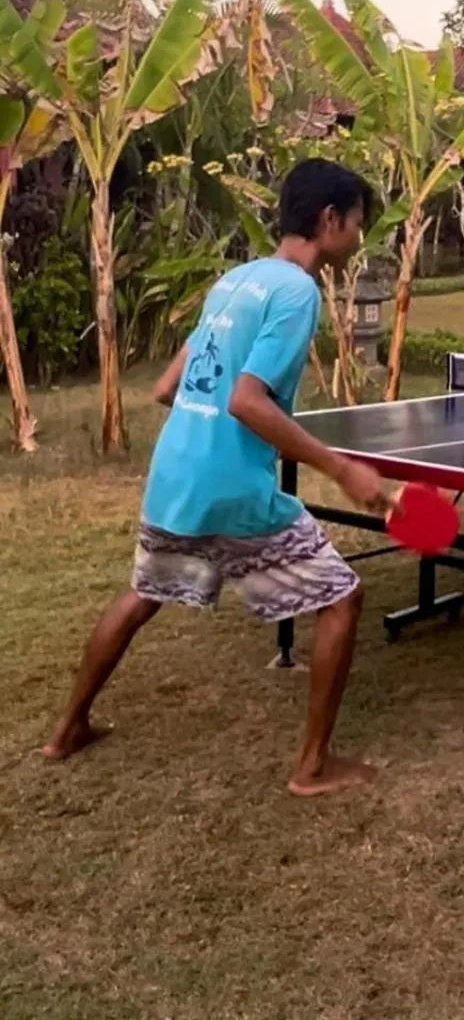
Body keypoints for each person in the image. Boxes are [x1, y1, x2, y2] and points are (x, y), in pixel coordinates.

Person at [42, 158, 390, 797]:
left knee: (143, 593)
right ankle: (312, 767)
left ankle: (66, 730)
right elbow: (247, 402)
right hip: (233, 490)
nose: (357, 237)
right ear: (329, 220)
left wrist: (205, 435)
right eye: (356, 223)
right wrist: (342, 469)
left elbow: (167, 387)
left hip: (175, 477)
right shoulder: (297, 292)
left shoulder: (236, 280)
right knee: (343, 598)